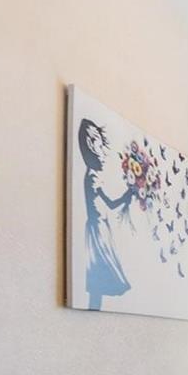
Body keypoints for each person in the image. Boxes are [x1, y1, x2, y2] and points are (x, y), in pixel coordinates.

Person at [77, 118, 134, 309]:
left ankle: (94, 307)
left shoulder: (92, 174)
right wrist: (128, 195)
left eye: (99, 140)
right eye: (94, 141)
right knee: (99, 279)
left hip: (101, 227)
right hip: (98, 229)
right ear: (89, 146)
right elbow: (110, 203)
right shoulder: (93, 176)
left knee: (98, 283)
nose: (99, 145)